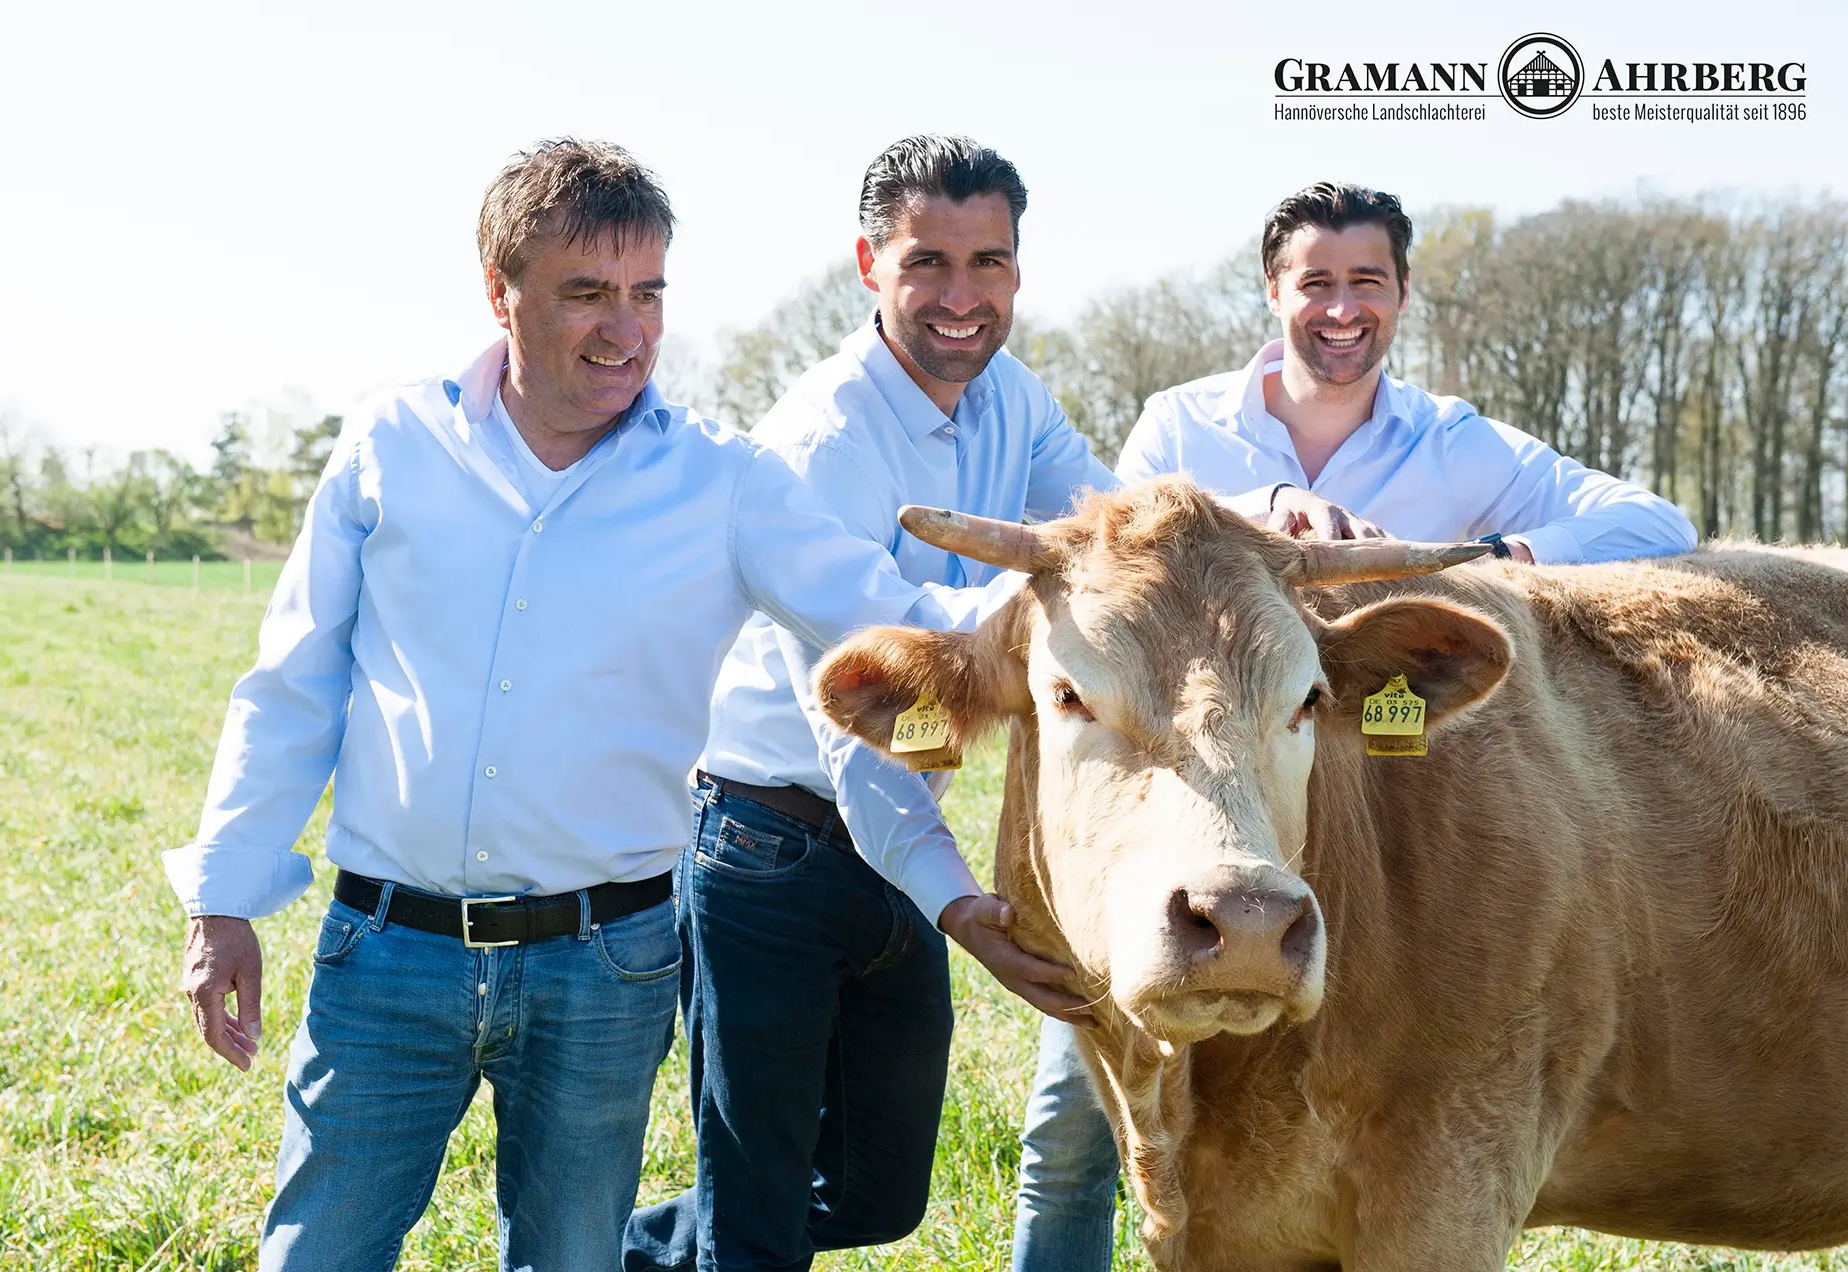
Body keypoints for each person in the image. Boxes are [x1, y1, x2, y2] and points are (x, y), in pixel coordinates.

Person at [168, 137, 1010, 1272]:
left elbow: (896, 614)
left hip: (605, 965)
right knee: (318, 1254)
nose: (626, 329)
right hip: (387, 951)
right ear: (499, 290)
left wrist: (1118, 587)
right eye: (586, 294)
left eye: (647, 292)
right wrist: (224, 899)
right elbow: (292, 683)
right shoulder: (391, 445)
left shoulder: (722, 482)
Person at [1010, 180, 1698, 1272]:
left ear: (1402, 295)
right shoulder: (1183, 426)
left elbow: (1655, 523)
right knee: (1070, 1132)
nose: (1341, 309)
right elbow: (1118, 574)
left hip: (1381, 841)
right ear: (1272, 293)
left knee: (1366, 1112)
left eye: (1366, 282)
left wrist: (1475, 562)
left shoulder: (1453, 444)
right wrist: (1258, 522)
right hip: (1177, 812)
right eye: (1315, 282)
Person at [623, 136, 1113, 1272]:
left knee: (875, 1195)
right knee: (756, 1206)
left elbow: (1100, 527)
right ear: (868, 264)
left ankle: (613, 1254)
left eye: (987, 262)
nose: (960, 296)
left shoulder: (1014, 398)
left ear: (1018, 269)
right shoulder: (825, 440)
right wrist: (959, 907)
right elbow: (859, 714)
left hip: (894, 838)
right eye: (926, 262)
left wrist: (1236, 534)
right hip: (769, 847)